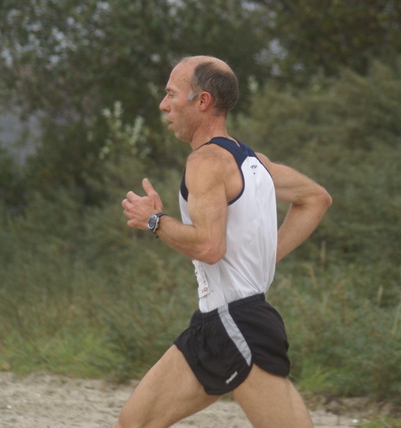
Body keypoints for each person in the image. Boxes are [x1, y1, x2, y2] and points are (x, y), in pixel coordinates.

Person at [118, 55, 332, 428]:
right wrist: (262, 258)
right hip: (213, 324)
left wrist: (154, 221)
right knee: (133, 422)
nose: (162, 105)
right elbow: (316, 199)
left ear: (201, 101)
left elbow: (208, 247)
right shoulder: (253, 161)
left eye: (171, 94)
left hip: (238, 323)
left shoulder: (207, 162)